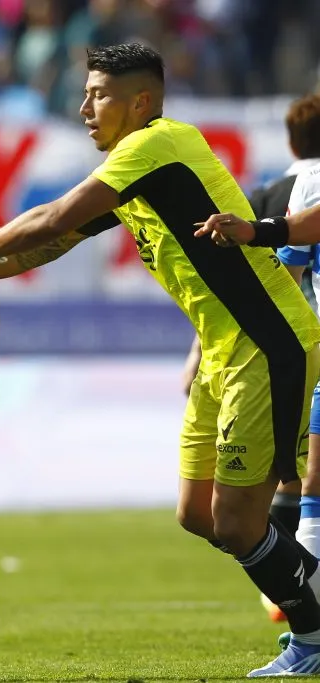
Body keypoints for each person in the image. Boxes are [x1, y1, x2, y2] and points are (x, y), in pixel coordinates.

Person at [0, 43, 320, 677]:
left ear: (140, 102)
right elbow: (41, 247)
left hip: (267, 344)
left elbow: (51, 217)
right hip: (222, 349)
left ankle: (312, 636)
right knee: (197, 513)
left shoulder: (156, 145)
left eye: (97, 95)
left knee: (238, 522)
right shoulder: (134, 175)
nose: (84, 109)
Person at [184, 94, 320, 623]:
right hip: (300, 350)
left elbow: (272, 282)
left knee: (301, 484)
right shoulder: (298, 193)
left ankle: (297, 602)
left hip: (292, 349)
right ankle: (305, 606)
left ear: (291, 141)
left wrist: (201, 351)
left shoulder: (270, 194)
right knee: (303, 483)